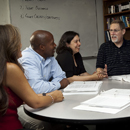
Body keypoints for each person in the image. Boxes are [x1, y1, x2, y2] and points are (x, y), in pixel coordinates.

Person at [0, 24, 64, 130]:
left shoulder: (3, 68)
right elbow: (35, 102)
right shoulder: (10, 68)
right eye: (17, 42)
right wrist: (54, 97)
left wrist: (46, 94)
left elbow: (20, 97)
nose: (20, 45)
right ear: (9, 45)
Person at [18, 30, 69, 130]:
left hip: (42, 98)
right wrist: (58, 84)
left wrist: (52, 85)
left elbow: (62, 77)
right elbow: (37, 88)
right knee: (41, 124)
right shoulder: (27, 58)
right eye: (52, 43)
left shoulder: (49, 55)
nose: (55, 45)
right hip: (23, 104)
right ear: (42, 47)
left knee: (63, 115)